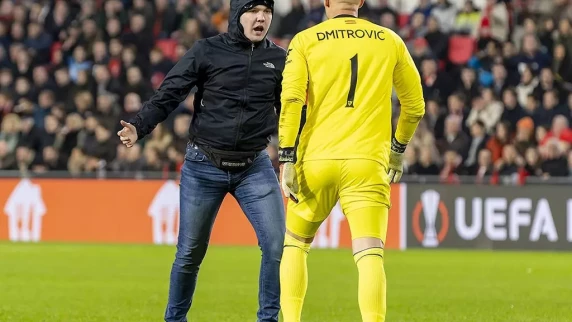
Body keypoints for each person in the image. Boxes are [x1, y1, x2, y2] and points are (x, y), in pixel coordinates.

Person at [117, 1, 286, 321]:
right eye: (253, 10)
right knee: (189, 255)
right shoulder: (206, 50)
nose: (261, 17)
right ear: (237, 15)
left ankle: (268, 319)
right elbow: (170, 91)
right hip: (203, 165)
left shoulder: (279, 59)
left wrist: (294, 155)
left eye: (266, 11)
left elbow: (290, 113)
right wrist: (140, 127)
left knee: (276, 246)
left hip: (254, 166)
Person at [277, 0, 425, 321]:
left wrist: (287, 157)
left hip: (314, 161)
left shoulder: (305, 40)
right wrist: (396, 153)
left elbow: (291, 101)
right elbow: (415, 106)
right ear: (360, 2)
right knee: (369, 254)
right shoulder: (390, 40)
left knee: (295, 245)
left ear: (326, 2)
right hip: (367, 162)